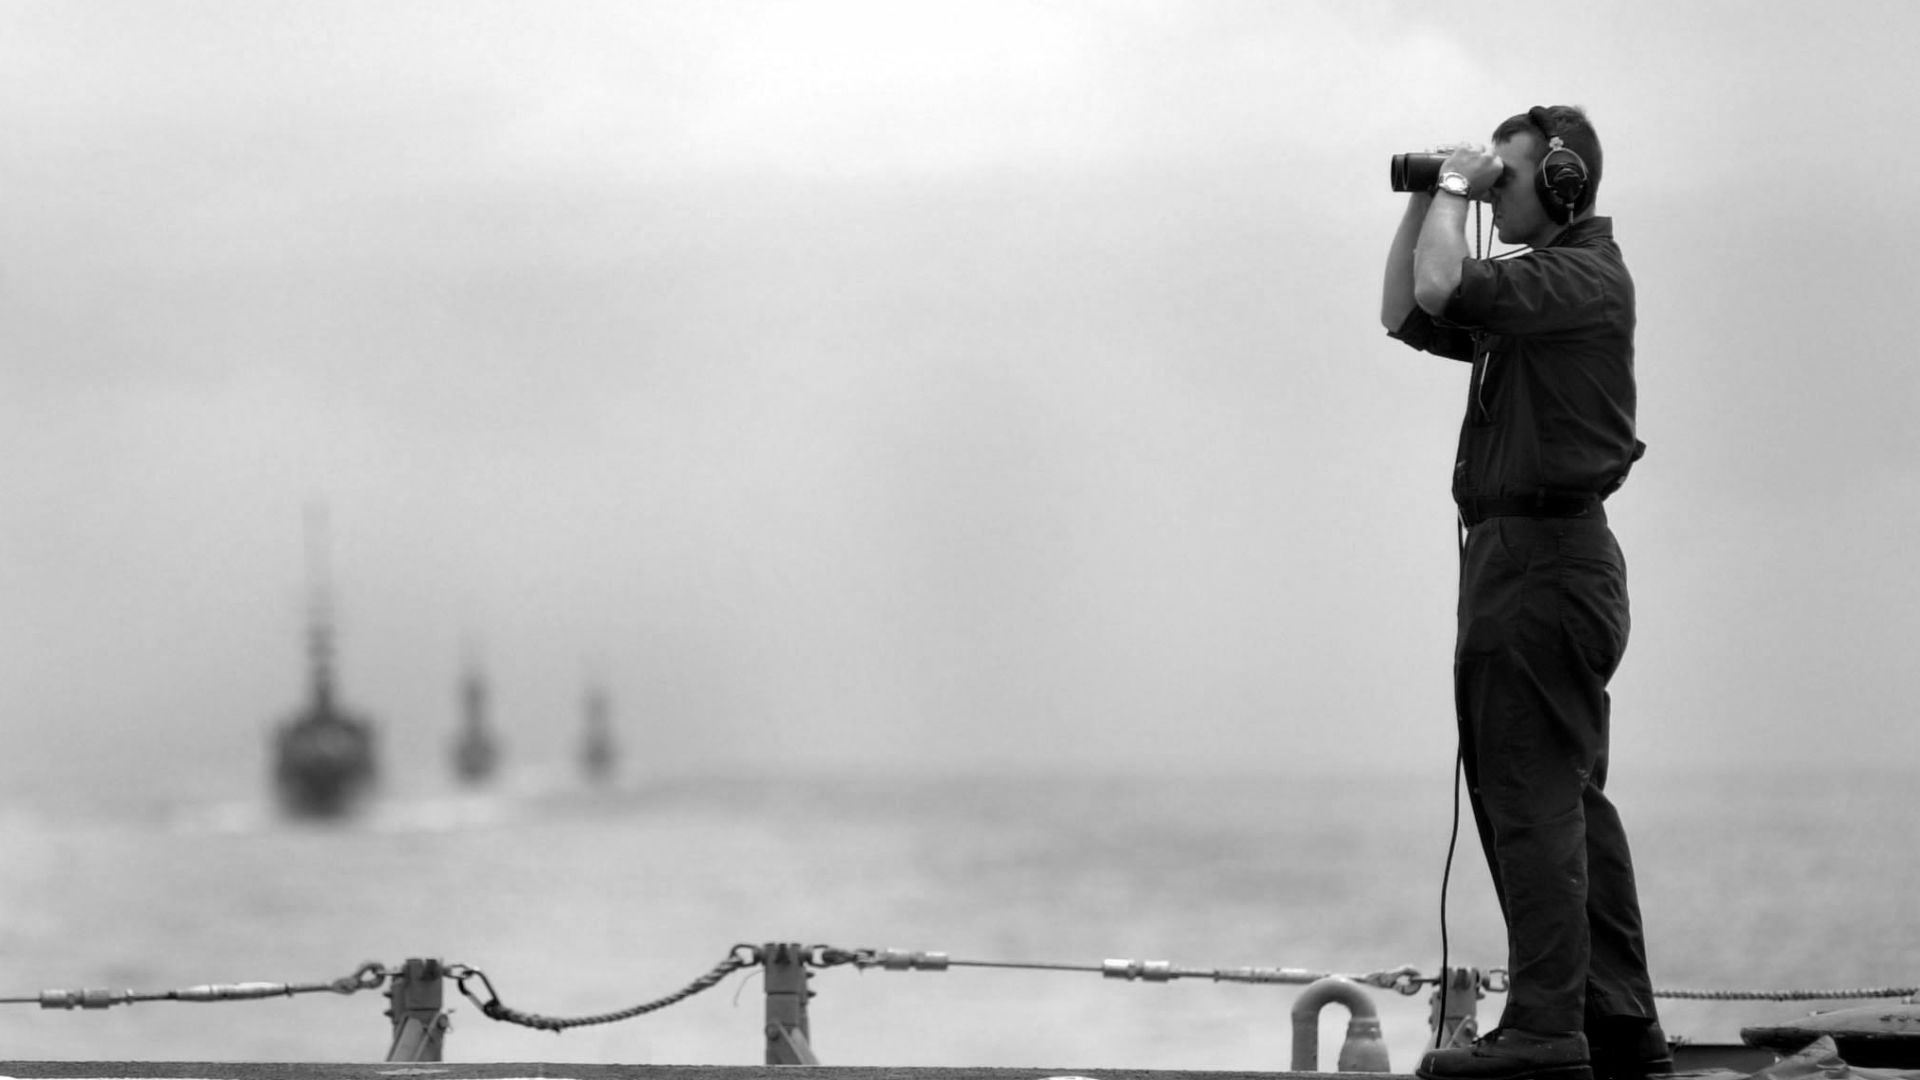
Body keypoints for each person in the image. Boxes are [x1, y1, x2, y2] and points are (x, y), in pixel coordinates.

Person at [1379, 106, 1671, 1080]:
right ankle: (1618, 1027)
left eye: (1507, 179)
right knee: (1566, 802)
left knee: (1529, 792)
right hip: (1530, 562)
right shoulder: (1533, 297)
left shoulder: (1576, 279)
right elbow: (1406, 309)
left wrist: (1458, 192)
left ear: (1563, 182)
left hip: (1546, 563)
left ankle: (1548, 1032)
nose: (1492, 195)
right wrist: (1432, 188)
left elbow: (1442, 278)